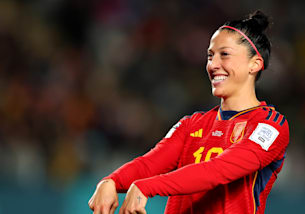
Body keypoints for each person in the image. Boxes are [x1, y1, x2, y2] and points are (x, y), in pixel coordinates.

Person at [89, 10, 289, 214]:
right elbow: (149, 164)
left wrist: (146, 186)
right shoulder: (191, 124)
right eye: (210, 56)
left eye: (225, 54)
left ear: (255, 64)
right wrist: (110, 181)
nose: (213, 65)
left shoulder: (269, 125)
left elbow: (218, 170)